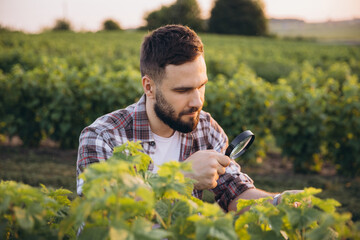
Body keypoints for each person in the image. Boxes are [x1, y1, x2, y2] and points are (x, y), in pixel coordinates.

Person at [76, 24, 299, 212]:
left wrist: (279, 202)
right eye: (183, 91)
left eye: (201, 86)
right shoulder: (103, 136)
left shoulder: (206, 128)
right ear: (149, 87)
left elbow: (235, 191)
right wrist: (181, 177)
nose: (197, 101)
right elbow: (100, 211)